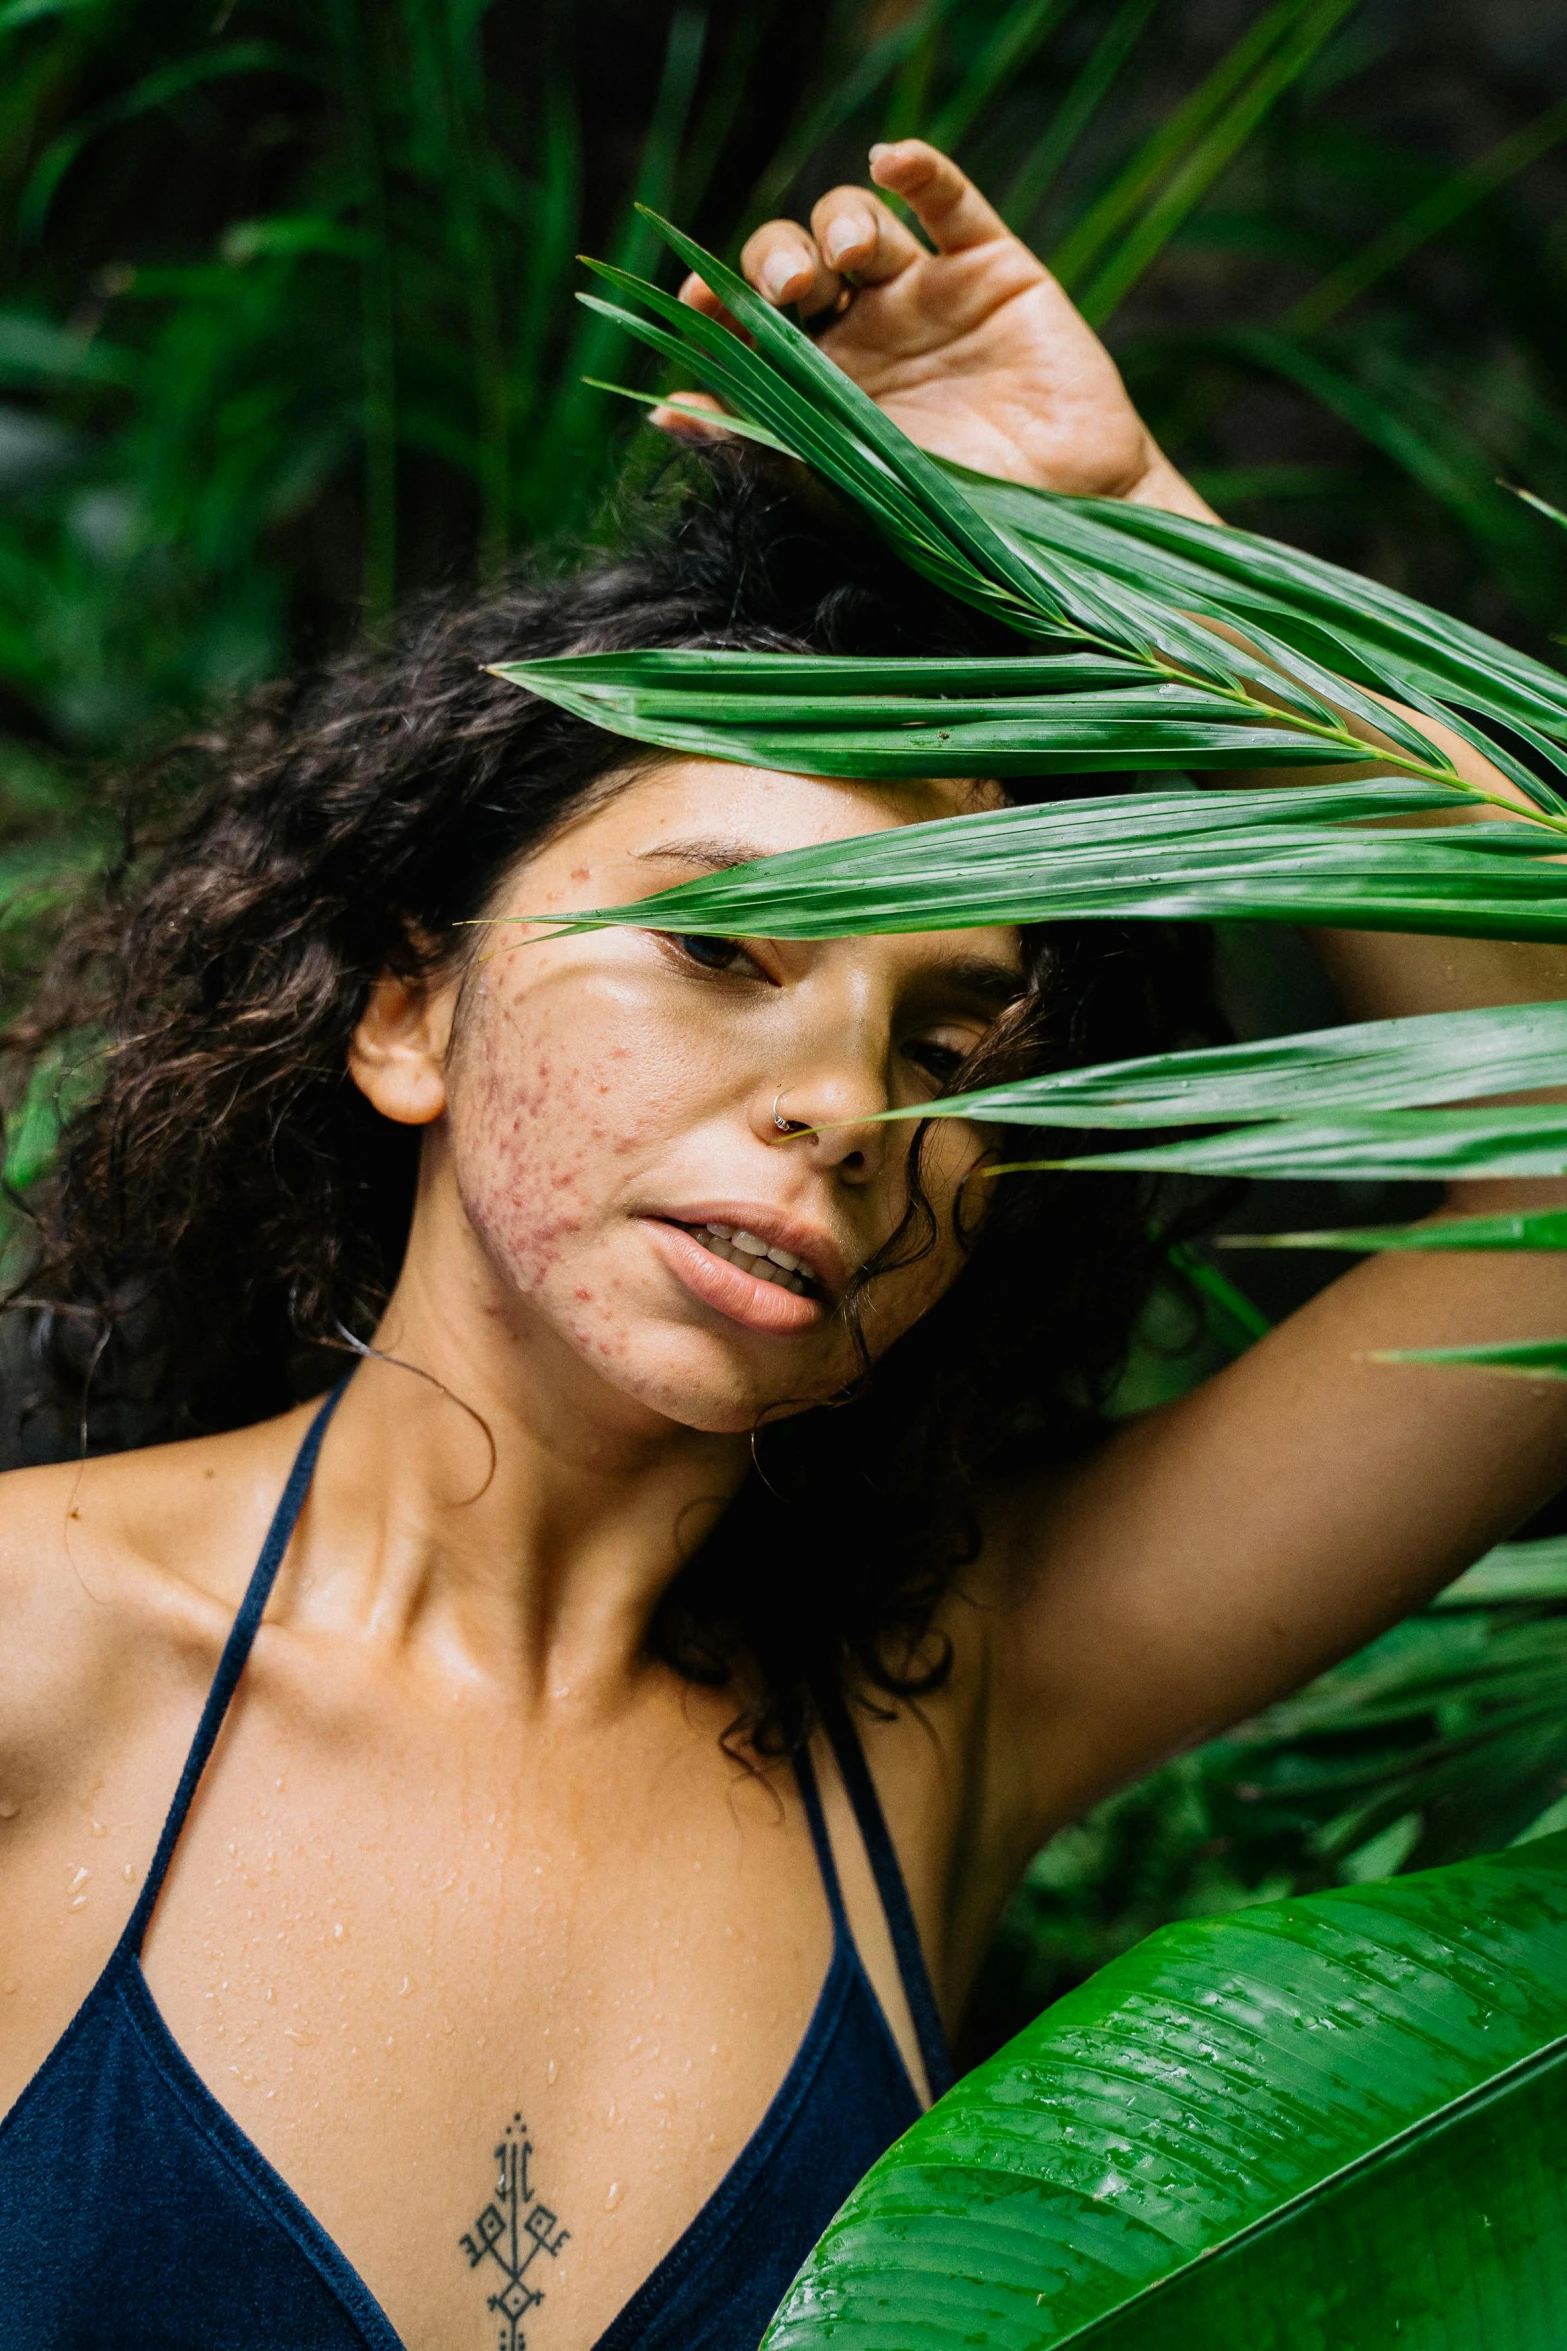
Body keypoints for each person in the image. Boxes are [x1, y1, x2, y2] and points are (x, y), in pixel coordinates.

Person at [2, 140, 1566, 2351]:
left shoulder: (948, 1696)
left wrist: (1134, 545)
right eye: (729, 947)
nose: (851, 1102)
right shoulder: (31, 1644)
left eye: (956, 1034)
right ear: (407, 1009)